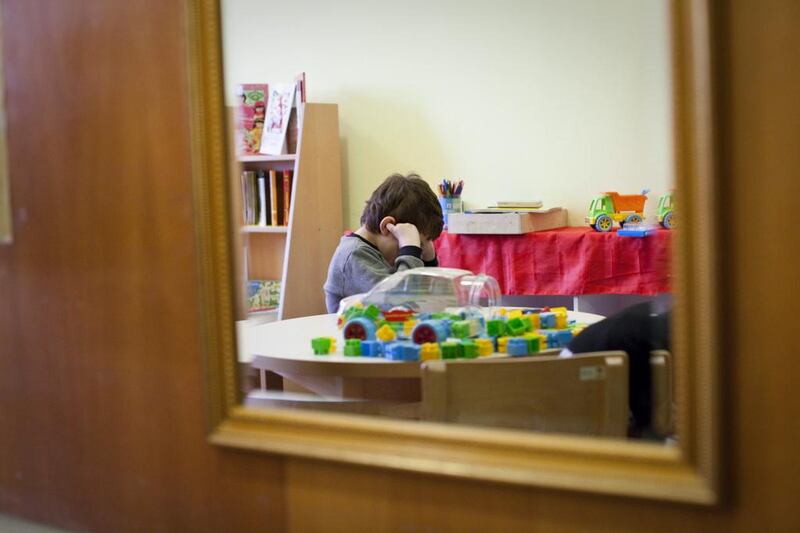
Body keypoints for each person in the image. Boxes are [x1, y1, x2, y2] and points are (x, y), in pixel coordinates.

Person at [324, 173, 444, 313]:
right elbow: (398, 304)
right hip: (350, 333)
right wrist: (410, 250)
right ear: (388, 226)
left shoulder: (380, 251)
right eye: (417, 245)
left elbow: (423, 300)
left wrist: (429, 262)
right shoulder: (354, 255)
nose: (417, 253)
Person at [561, 302, 671, 436]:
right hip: (578, 371)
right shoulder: (644, 337)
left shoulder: (649, 326)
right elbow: (640, 393)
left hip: (580, 363)